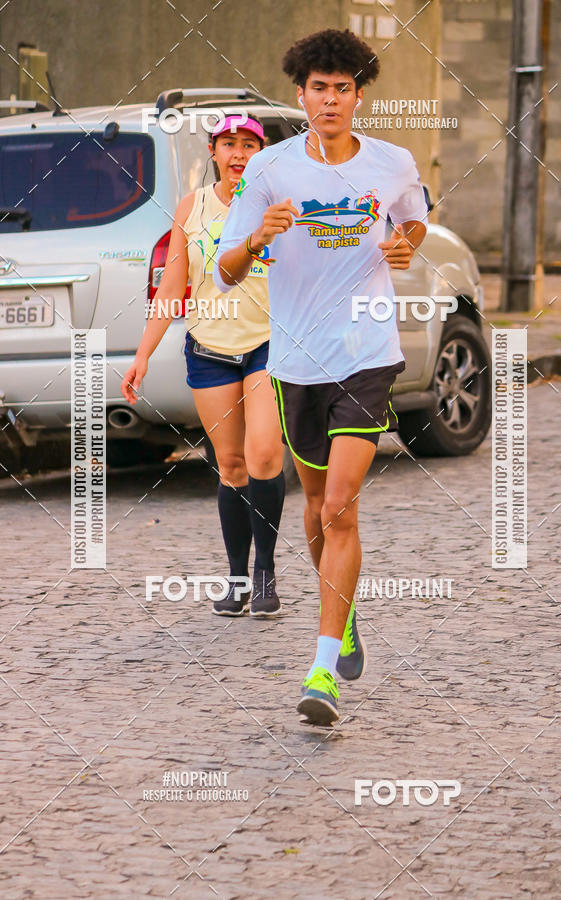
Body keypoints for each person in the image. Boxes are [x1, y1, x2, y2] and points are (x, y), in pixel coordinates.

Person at [214, 30, 429, 725]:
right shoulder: (269, 171)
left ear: (358, 95)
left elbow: (415, 222)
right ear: (300, 95)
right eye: (318, 88)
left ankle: (321, 668)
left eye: (342, 88)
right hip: (296, 361)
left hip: (367, 352)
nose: (330, 99)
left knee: (340, 505)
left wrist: (403, 246)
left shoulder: (392, 162)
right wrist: (256, 238)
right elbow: (226, 269)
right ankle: (346, 610)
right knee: (313, 509)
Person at [121, 114, 285, 618]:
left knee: (263, 457)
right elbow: (173, 287)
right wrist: (142, 354)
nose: (239, 153)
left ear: (262, 153)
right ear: (213, 151)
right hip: (210, 347)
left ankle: (266, 574)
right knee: (231, 465)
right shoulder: (191, 208)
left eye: (249, 145)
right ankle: (237, 577)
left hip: (268, 344)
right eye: (229, 144)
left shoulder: (281, 208)